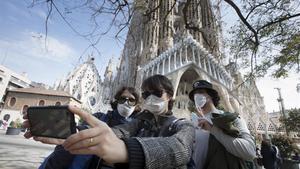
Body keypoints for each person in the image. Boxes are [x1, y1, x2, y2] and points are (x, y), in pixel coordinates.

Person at [23, 74, 195, 169]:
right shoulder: (139, 123)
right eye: (146, 95)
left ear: (170, 96)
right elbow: (119, 131)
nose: (150, 99)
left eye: (157, 93)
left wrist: (128, 150)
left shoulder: (182, 124)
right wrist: (76, 134)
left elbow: (180, 148)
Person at [38, 86, 140, 169]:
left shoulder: (138, 130)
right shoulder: (99, 118)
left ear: (136, 105)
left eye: (131, 100)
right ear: (117, 101)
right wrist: (73, 131)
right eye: (123, 99)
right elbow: (82, 129)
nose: (126, 103)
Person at [188, 80, 256, 169]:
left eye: (201, 92)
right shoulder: (192, 123)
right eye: (194, 95)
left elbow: (250, 152)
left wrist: (213, 130)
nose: (197, 96)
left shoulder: (232, 118)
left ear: (211, 96)